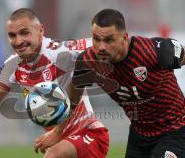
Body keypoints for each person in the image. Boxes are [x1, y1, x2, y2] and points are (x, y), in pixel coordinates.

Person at [0, 8, 109, 158]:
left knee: (52, 156)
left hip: (88, 134)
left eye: (24, 32)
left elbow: (101, 43)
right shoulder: (12, 65)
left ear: (40, 30)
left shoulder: (60, 52)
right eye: (12, 35)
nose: (18, 41)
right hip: (58, 140)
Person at [65, 9, 185, 158]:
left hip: (177, 128)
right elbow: (75, 92)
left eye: (109, 40)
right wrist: (59, 131)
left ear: (124, 37)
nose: (101, 47)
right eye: (96, 39)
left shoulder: (152, 51)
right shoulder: (88, 62)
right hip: (140, 135)